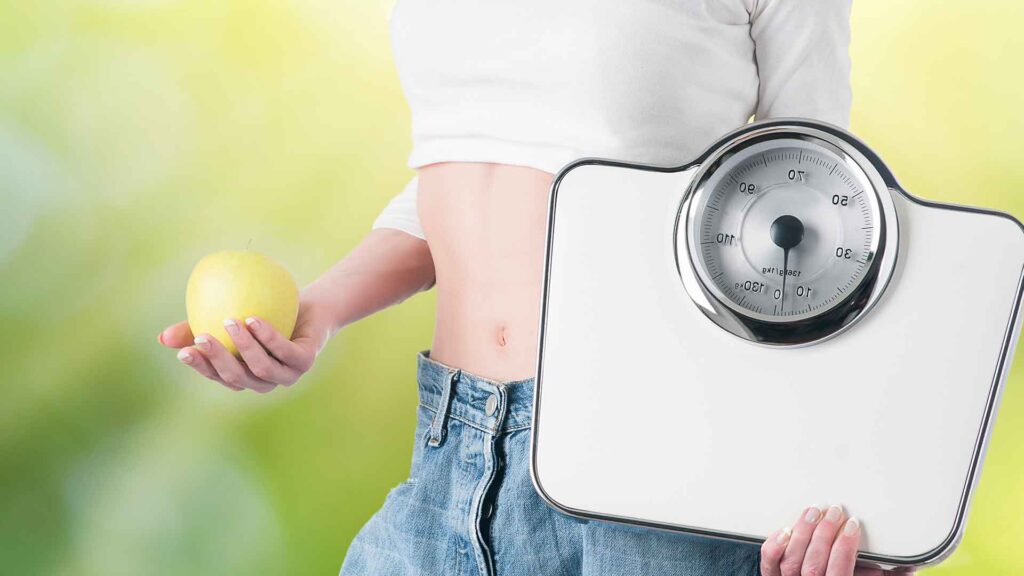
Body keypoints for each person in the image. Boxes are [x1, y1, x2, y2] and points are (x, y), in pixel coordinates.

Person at [159, 1, 911, 574]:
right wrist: (317, 312)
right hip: (451, 446)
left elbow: (823, 218)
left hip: (654, 463)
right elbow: (464, 165)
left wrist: (861, 497)